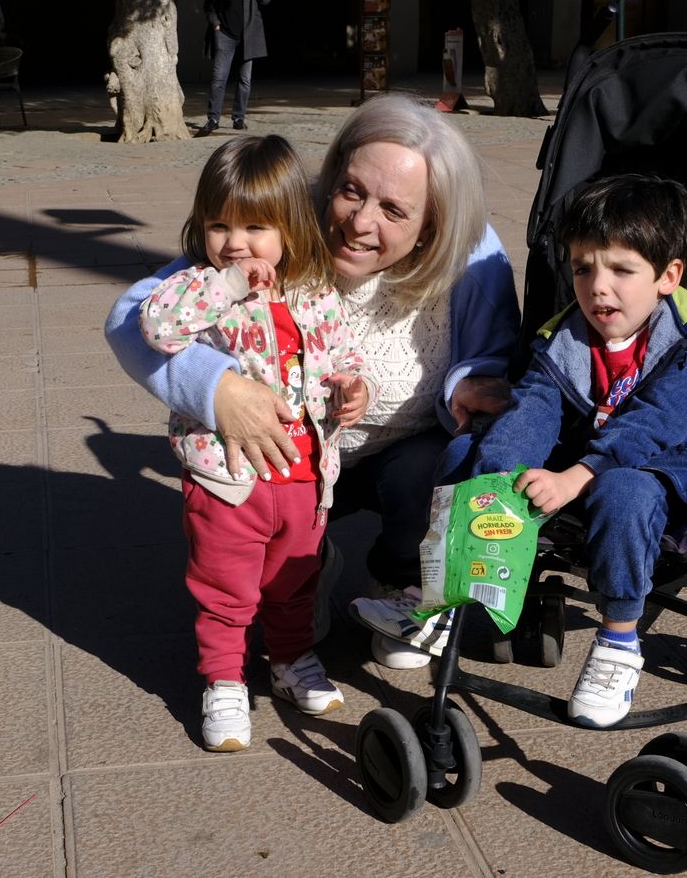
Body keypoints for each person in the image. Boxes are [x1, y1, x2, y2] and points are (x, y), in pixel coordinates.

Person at [106, 94, 521, 671]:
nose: (359, 222)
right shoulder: (279, 224)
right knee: (268, 565)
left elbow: (490, 359)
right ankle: (305, 562)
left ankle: (400, 578)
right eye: (351, 190)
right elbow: (132, 319)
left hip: (397, 453)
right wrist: (217, 387)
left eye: (394, 211)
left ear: (433, 224)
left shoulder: (473, 257)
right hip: (291, 457)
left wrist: (467, 383)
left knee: (433, 463)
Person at [427, 174, 687, 727]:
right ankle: (442, 588)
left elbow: (656, 424)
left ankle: (619, 640)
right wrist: (500, 476)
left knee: (623, 488)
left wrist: (579, 474)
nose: (597, 287)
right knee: (466, 456)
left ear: (668, 277)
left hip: (667, 467)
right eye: (582, 268)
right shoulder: (566, 335)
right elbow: (535, 407)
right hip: (576, 458)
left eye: (621, 269)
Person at [138, 135, 370, 752]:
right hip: (226, 478)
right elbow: (156, 327)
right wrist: (229, 283)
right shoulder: (200, 290)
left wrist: (352, 387)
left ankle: (291, 661)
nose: (234, 243)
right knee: (225, 588)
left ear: (291, 229)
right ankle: (222, 680)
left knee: (295, 579)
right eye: (219, 226)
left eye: (255, 228)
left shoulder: (315, 293)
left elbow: (340, 356)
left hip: (302, 476)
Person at [199, 0, 271, 137]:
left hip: (248, 37)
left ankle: (238, 118)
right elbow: (209, 3)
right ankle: (213, 119)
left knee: (245, 80)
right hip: (225, 35)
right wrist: (215, 23)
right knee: (219, 78)